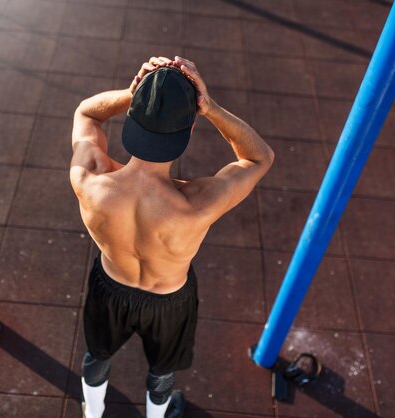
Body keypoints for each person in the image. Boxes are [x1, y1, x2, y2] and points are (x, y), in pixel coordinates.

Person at [70, 56, 274, 418]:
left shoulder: (91, 179)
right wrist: (209, 107)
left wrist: (131, 93)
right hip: (169, 301)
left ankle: (93, 413)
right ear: (189, 131)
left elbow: (87, 114)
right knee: (162, 371)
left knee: (97, 355)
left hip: (109, 286)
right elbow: (259, 158)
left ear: (131, 117)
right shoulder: (196, 204)